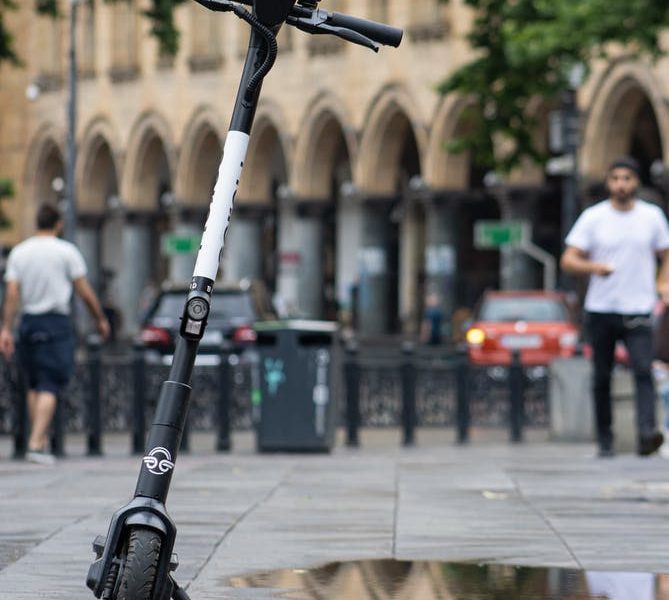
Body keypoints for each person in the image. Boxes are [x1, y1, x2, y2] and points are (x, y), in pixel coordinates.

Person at [561, 156, 669, 458]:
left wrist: (663, 284)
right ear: (609, 183)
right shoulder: (594, 217)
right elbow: (568, 259)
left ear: (636, 182)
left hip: (639, 306)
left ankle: (647, 434)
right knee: (601, 377)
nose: (622, 185)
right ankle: (605, 439)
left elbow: (666, 254)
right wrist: (595, 267)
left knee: (643, 372)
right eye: (616, 179)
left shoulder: (652, 217)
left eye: (627, 179)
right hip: (601, 308)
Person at [0, 204, 110, 465]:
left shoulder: (20, 252)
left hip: (28, 322)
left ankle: (39, 438)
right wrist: (100, 319)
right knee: (50, 382)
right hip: (55, 322)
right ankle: (37, 443)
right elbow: (83, 290)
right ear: (58, 224)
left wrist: (6, 327)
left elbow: (13, 293)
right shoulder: (66, 251)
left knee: (34, 382)